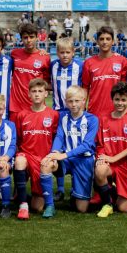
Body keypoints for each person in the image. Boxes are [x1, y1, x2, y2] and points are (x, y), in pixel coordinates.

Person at [41, 86, 98, 216]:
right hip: (66, 160)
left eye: (77, 101)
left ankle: (76, 193)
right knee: (46, 164)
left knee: (81, 208)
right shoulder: (63, 117)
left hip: (84, 160)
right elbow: (60, 136)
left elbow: (87, 145)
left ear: (84, 101)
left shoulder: (92, 119)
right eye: (70, 101)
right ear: (66, 102)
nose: (73, 104)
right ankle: (50, 206)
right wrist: (54, 152)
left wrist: (63, 155)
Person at [93, 82, 127, 218]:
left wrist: (114, 158)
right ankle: (107, 203)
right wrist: (101, 158)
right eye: (117, 99)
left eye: (123, 100)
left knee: (123, 208)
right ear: (112, 99)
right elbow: (100, 144)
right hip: (109, 163)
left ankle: (113, 191)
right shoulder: (103, 119)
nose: (120, 103)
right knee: (100, 170)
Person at [13, 78, 59, 219]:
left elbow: (57, 137)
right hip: (26, 155)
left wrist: (54, 155)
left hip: (43, 158)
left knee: (37, 207)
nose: (37, 94)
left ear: (46, 94)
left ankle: (26, 195)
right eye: (34, 91)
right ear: (29, 94)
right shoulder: (21, 115)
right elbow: (18, 139)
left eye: (40, 91)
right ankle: (22, 205)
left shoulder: (53, 115)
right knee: (19, 161)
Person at [49, 37, 83, 199]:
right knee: (59, 147)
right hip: (58, 112)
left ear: (73, 52)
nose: (64, 55)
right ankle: (61, 188)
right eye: (61, 52)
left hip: (74, 113)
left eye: (68, 52)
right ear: (57, 53)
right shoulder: (52, 66)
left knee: (75, 146)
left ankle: (77, 186)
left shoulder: (79, 66)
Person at [82, 26, 127, 119]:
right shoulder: (89, 62)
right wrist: (83, 105)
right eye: (101, 39)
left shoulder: (122, 61)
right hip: (95, 112)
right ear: (97, 41)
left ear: (113, 41)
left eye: (108, 39)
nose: (104, 42)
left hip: (116, 111)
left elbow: (125, 88)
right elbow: (85, 87)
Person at [9, 23, 51, 124]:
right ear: (21, 39)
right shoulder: (14, 54)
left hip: (36, 106)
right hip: (16, 107)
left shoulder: (45, 57)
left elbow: (47, 83)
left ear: (37, 37)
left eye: (32, 37)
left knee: (34, 137)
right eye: (25, 37)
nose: (29, 40)